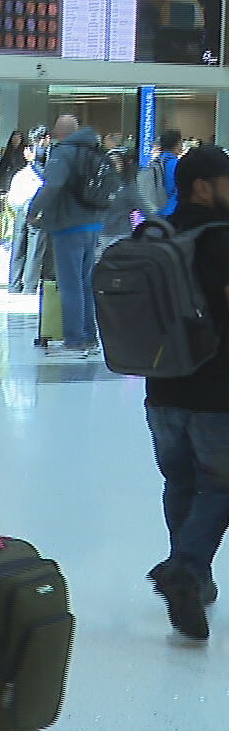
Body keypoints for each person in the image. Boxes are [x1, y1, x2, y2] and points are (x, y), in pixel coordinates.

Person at [144, 144, 229, 641]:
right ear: (204, 186)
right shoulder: (219, 237)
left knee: (179, 481)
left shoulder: (153, 232)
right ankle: (188, 570)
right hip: (215, 389)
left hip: (160, 388)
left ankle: (192, 578)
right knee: (220, 486)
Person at [30, 114, 108, 356]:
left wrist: (34, 209)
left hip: (68, 225)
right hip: (93, 223)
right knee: (85, 283)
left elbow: (53, 185)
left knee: (70, 284)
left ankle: (74, 338)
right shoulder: (94, 150)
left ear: (56, 133)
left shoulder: (63, 152)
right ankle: (89, 336)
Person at [4, 130, 48, 295]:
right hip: (39, 212)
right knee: (35, 249)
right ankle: (29, 286)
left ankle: (14, 285)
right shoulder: (46, 174)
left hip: (21, 211)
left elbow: (12, 199)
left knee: (18, 248)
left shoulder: (21, 174)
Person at [149, 130, 183, 218]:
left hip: (155, 211)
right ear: (176, 144)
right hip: (173, 211)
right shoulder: (177, 164)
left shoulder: (155, 162)